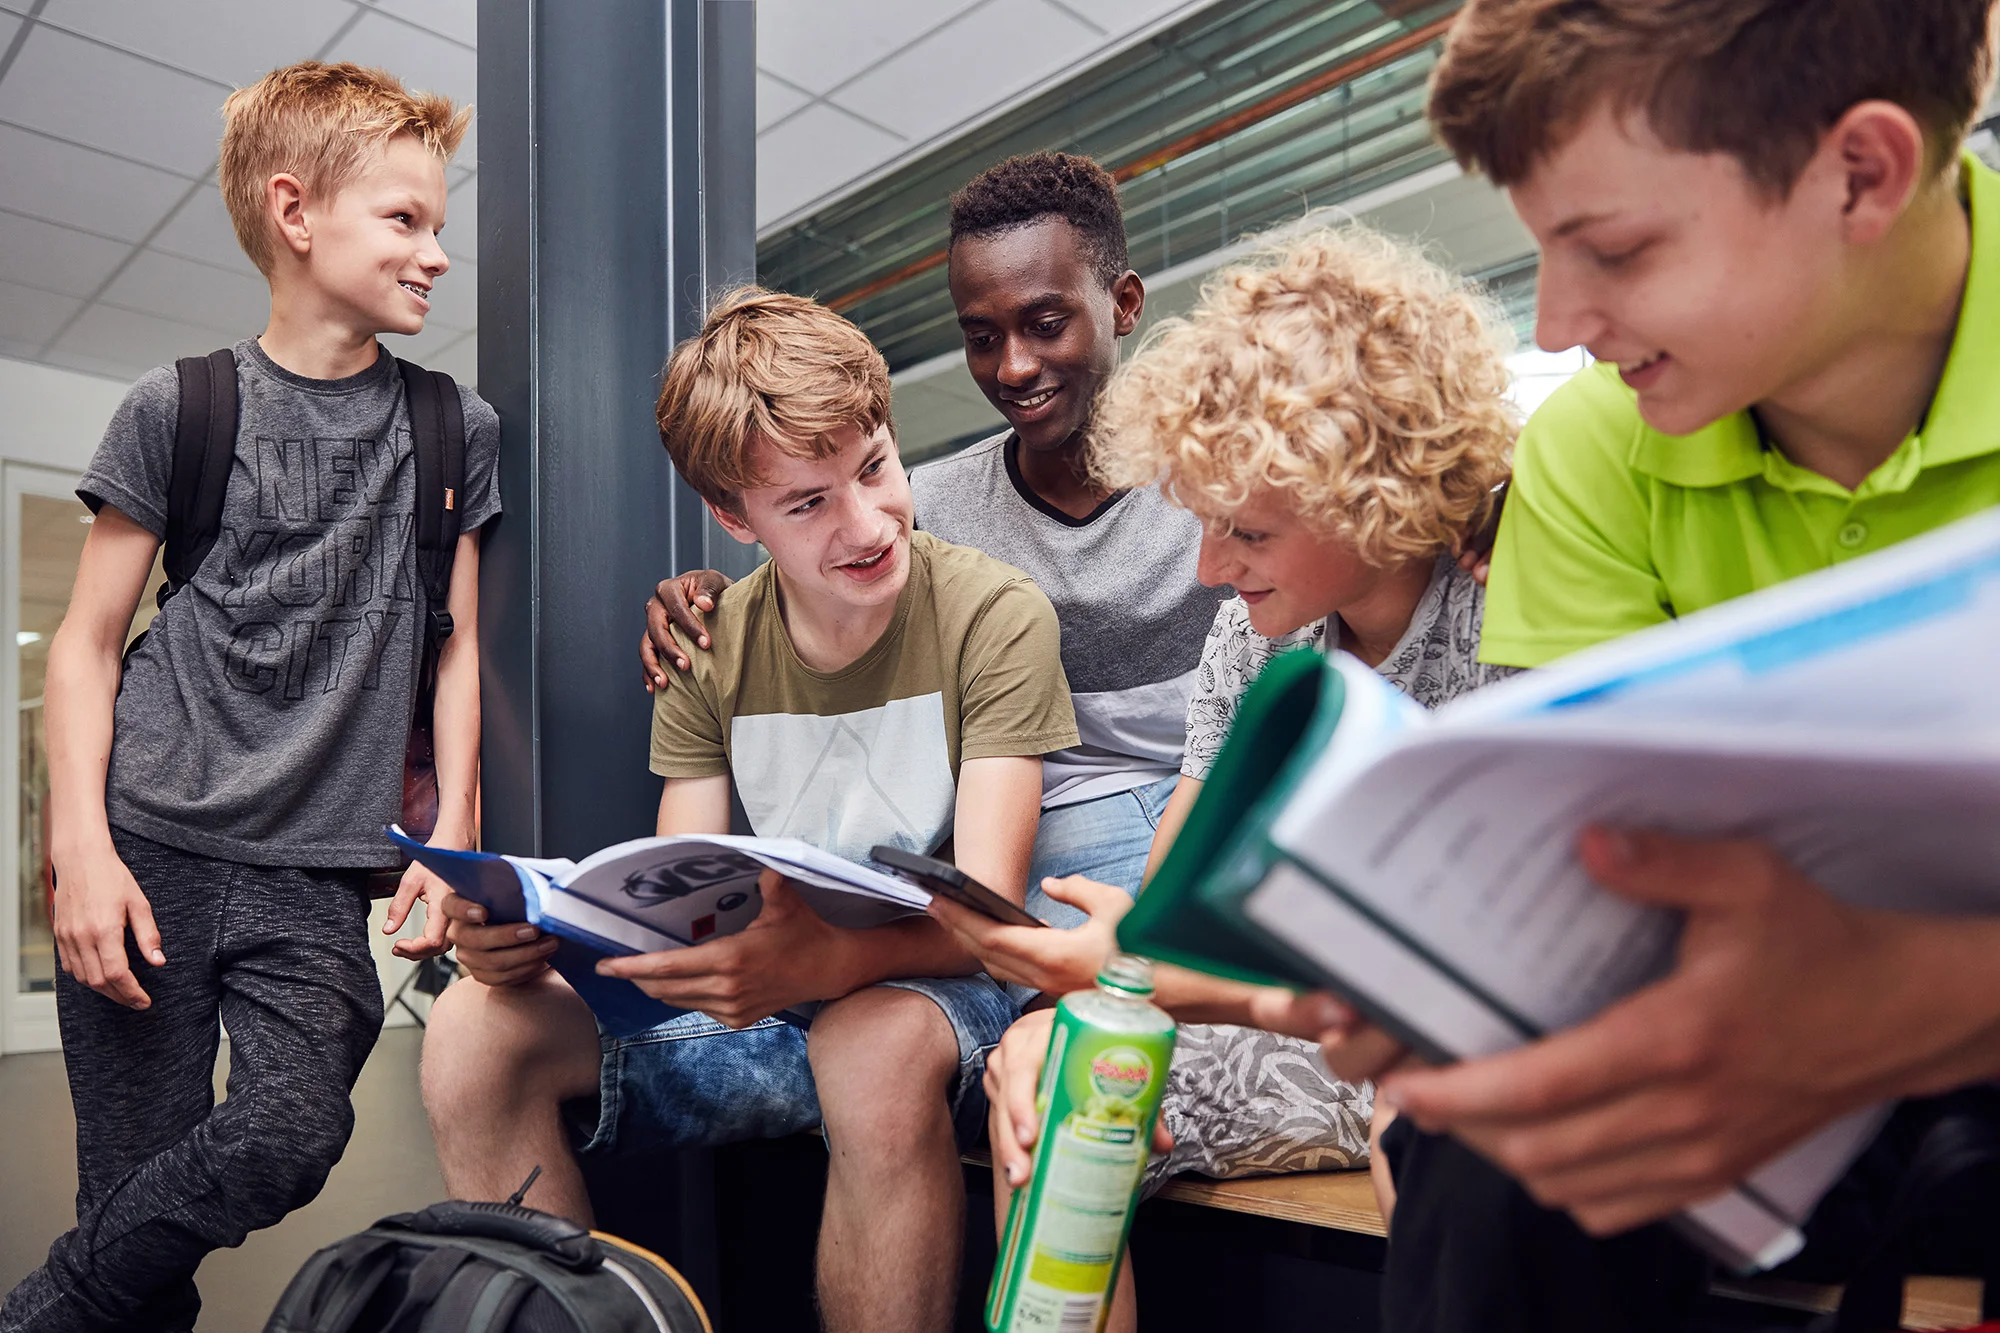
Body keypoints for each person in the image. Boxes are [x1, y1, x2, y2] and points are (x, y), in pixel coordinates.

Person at [1277, 3, 2000, 1329]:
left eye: (1614, 250)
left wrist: (1936, 993)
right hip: (1751, 1027)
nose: (1557, 325)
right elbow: (1595, 874)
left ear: (1864, 173)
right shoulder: (1597, 448)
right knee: (1489, 1150)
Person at [421, 288, 1078, 1333]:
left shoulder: (990, 612)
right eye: (806, 504)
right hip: (765, 1005)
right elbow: (676, 881)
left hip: (930, 995)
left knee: (868, 1043)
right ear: (736, 518)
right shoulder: (710, 639)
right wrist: (529, 943)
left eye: (872, 471)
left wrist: (823, 964)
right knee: (470, 1031)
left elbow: (992, 925)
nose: (865, 524)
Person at [936, 222, 1518, 1332]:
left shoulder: (1507, 618)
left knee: (1429, 1112)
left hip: (1444, 1031)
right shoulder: (1254, 639)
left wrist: (1135, 979)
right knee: (1053, 1085)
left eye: (1244, 529)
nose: (1209, 567)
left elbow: (1456, 972)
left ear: (1371, 495)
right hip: (1302, 1022)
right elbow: (1171, 929)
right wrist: (1081, 1019)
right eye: (1201, 522)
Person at [0, 62, 496, 1333]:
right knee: (138, 1207)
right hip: (153, 840)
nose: (435, 252)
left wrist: (455, 838)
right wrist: (79, 851)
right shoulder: (179, 405)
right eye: (405, 219)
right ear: (295, 211)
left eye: (438, 224)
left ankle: (43, 1308)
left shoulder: (452, 428)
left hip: (317, 871)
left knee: (288, 1132)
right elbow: (87, 643)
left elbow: (456, 652)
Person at [642, 153, 1230, 920]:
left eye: (1046, 325)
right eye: (981, 337)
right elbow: (824, 549)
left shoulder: (1228, 486)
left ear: (1122, 304)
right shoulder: (927, 502)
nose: (1014, 366)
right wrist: (706, 594)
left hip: (1209, 806)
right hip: (1032, 831)